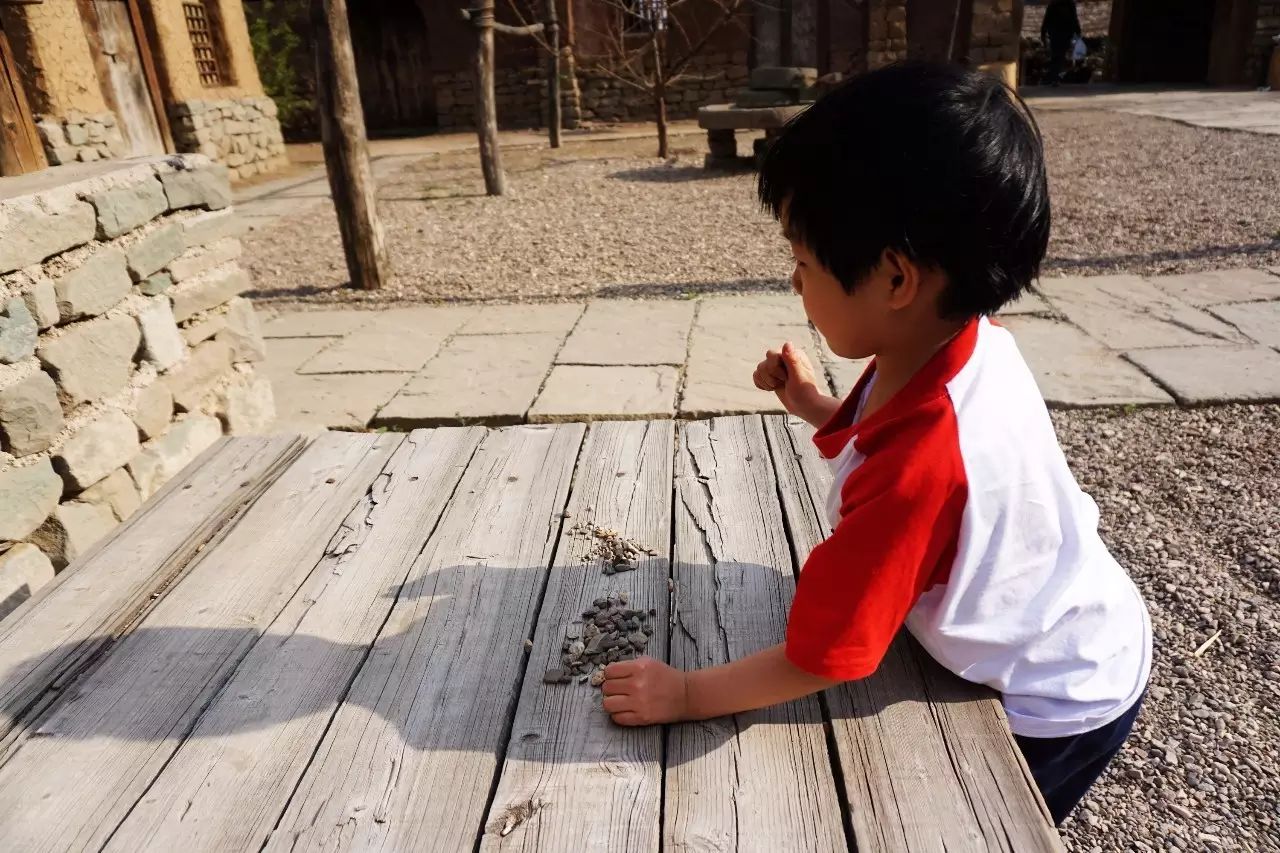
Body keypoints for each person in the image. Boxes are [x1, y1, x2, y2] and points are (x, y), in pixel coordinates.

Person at [599, 62, 1151, 826]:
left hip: (1057, 693)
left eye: (802, 261)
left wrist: (689, 693)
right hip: (1086, 615)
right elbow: (896, 438)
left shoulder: (918, 467)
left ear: (895, 278)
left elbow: (829, 652)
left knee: (981, 828)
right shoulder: (961, 340)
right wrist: (814, 404)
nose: (794, 282)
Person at [1042, 0, 1083, 86]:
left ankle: (1054, 77)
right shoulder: (1069, 4)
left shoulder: (1054, 5)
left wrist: (1043, 34)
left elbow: (1046, 20)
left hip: (1056, 34)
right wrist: (1078, 32)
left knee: (1056, 56)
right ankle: (1055, 77)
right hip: (1064, 34)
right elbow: (1074, 19)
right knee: (1059, 56)